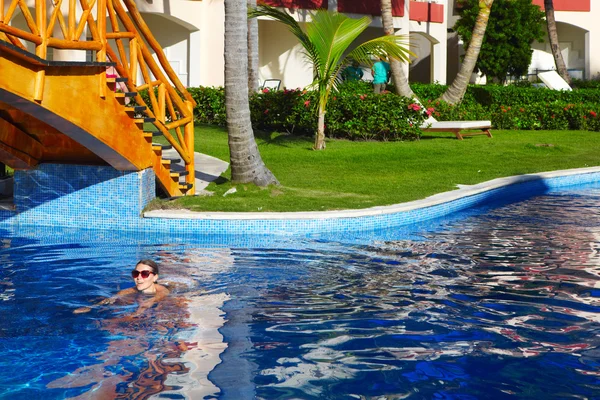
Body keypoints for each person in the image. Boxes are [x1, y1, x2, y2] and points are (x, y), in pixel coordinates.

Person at [74, 259, 169, 314]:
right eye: (136, 273)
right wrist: (92, 307)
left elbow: (160, 296)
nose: (139, 278)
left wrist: (138, 312)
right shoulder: (130, 290)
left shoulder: (162, 290)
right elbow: (112, 298)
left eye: (145, 274)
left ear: (155, 277)